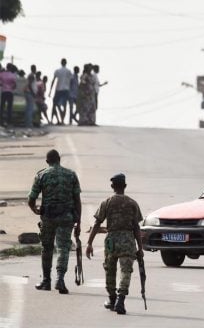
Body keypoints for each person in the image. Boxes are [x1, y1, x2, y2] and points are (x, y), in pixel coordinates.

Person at [86, 173, 143, 315]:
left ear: (112, 186)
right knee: (126, 271)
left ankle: (112, 299)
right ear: (125, 186)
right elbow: (136, 227)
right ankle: (120, 300)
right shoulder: (132, 203)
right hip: (128, 240)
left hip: (111, 240)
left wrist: (89, 243)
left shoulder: (107, 202)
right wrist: (140, 247)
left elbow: (97, 223)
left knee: (110, 269)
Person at [28, 149, 82, 294]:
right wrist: (79, 222)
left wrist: (35, 209)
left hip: (48, 217)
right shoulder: (71, 175)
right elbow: (77, 200)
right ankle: (60, 279)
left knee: (47, 248)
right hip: (66, 217)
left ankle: (46, 281)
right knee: (63, 248)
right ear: (59, 159)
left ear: (47, 161)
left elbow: (31, 198)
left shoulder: (42, 175)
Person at [49, 58, 73, 125]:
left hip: (58, 89)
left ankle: (52, 119)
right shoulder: (69, 71)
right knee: (64, 105)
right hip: (66, 89)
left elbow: (53, 80)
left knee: (55, 104)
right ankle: (62, 120)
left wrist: (50, 90)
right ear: (66, 63)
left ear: (61, 63)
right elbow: (71, 80)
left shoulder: (58, 71)